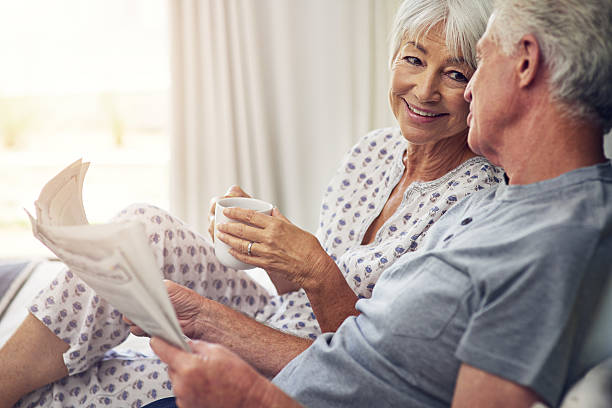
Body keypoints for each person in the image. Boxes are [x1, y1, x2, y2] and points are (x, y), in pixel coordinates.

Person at [0, 0, 501, 407]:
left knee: (74, 392)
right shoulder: (372, 151)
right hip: (277, 319)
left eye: (454, 75)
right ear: (394, 59)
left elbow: (370, 368)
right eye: (413, 60)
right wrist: (267, 244)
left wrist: (313, 265)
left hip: (312, 366)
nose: (425, 89)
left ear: (478, 89)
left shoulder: (477, 203)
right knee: (142, 227)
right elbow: (294, 294)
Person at [139, 0, 612, 407]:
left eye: (477, 63)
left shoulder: (547, 238)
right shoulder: (513, 209)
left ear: (525, 62)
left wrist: (252, 396)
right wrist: (204, 317)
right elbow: (357, 351)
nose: (466, 90)